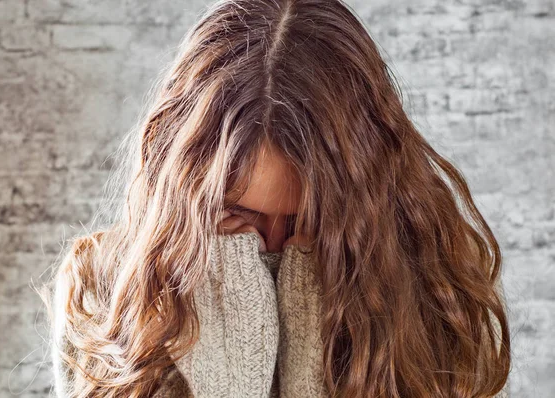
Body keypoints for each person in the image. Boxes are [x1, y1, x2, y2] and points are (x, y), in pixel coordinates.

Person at [39, 0, 511, 397]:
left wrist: (310, 355)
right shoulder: (100, 297)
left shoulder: (441, 298)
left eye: (307, 222)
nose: (271, 245)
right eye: (237, 216)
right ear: (185, 198)